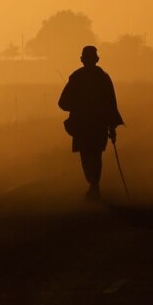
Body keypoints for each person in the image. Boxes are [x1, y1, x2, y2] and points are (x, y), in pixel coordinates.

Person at [59, 46, 124, 201]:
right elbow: (111, 105)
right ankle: (94, 185)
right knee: (95, 155)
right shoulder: (103, 78)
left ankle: (93, 185)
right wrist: (112, 127)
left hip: (82, 126)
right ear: (96, 60)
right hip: (98, 125)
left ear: (82, 60)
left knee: (86, 156)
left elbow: (62, 103)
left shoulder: (76, 78)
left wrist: (77, 106)